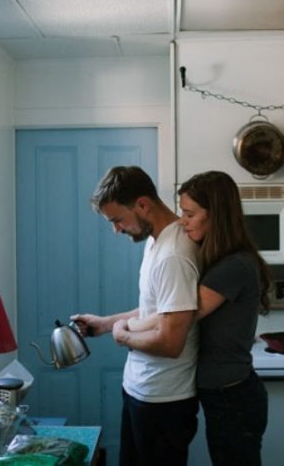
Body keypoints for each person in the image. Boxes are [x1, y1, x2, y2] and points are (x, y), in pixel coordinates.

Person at [128, 170, 271, 466]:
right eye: (182, 212)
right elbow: (166, 309)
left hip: (233, 397)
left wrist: (125, 331)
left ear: (215, 215)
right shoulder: (216, 259)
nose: (183, 220)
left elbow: (180, 314)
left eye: (190, 214)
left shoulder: (234, 265)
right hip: (222, 395)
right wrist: (109, 324)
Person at [70, 165, 201, 466]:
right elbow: (157, 310)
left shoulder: (174, 255)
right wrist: (105, 325)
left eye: (117, 220)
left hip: (164, 401)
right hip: (141, 390)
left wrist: (124, 336)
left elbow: (171, 342)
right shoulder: (157, 241)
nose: (116, 229)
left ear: (143, 204)